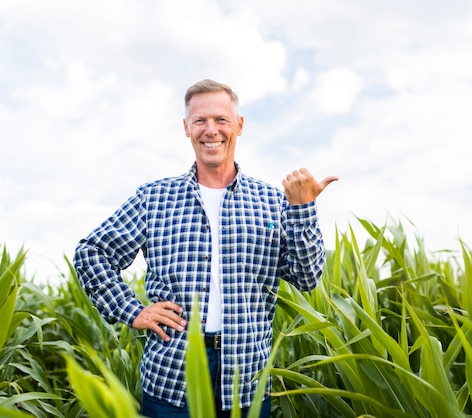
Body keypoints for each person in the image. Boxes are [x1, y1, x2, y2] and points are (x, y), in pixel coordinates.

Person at [73, 79, 338, 418]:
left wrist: (302, 209)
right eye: (200, 121)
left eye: (221, 120)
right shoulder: (154, 198)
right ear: (186, 128)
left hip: (246, 380)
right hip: (172, 376)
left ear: (239, 125)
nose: (210, 130)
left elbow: (307, 277)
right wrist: (131, 310)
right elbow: (92, 252)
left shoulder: (273, 202)